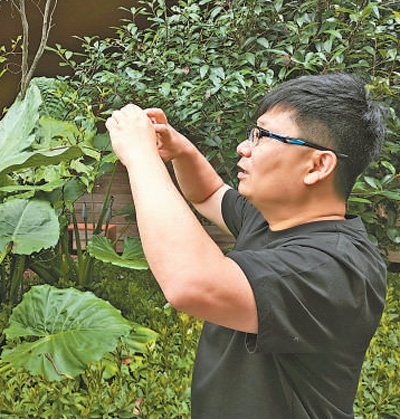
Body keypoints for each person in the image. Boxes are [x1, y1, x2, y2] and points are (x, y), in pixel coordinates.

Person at [106, 72, 387, 418]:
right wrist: (179, 149)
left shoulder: (338, 268)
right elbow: (209, 193)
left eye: (263, 136)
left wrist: (140, 156)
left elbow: (191, 283)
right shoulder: (272, 218)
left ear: (317, 165)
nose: (244, 147)